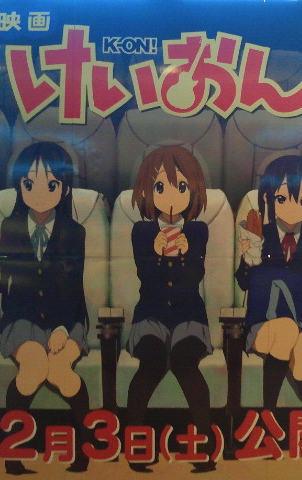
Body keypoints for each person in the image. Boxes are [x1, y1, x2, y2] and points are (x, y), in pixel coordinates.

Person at [0, 141, 90, 475]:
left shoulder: (74, 232)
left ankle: (85, 449)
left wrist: (62, 327)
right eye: (30, 184)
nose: (39, 194)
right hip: (22, 318)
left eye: (50, 185)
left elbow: (73, 285)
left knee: (59, 371)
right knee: (34, 365)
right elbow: (3, 258)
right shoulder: (10, 226)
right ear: (20, 187)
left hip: (68, 318)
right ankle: (13, 455)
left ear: (64, 189)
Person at [126, 145, 215, 473]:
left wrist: (185, 255)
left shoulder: (198, 231)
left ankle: (205, 448)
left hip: (189, 315)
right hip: (150, 314)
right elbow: (145, 278)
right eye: (160, 187)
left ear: (194, 191)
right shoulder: (142, 231)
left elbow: (193, 280)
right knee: (150, 362)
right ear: (147, 192)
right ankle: (135, 446)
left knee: (184, 361)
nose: (172, 197)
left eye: (182, 187)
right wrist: (158, 255)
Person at [235, 154, 302, 412]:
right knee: (286, 330)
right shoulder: (259, 234)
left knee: (299, 353)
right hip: (265, 321)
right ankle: (270, 412)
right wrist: (249, 260)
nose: (292, 208)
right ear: (268, 198)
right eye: (282, 199)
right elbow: (244, 284)